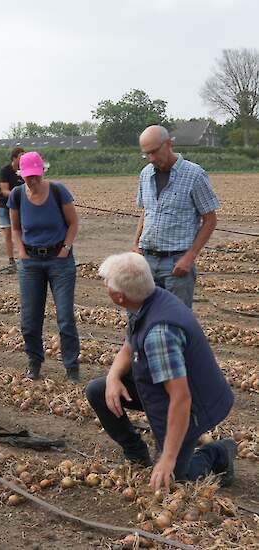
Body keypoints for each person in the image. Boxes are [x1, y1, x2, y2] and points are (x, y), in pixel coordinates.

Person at [85, 252, 236, 489]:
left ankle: (218, 453)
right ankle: (137, 453)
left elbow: (181, 398)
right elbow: (130, 343)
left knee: (173, 479)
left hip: (196, 405)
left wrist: (167, 457)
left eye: (107, 284)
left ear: (119, 297)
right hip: (164, 390)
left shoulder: (160, 334)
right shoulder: (148, 299)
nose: (105, 287)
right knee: (98, 390)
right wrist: (114, 377)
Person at [9, 151, 81, 382]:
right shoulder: (17, 195)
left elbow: (73, 223)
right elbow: (16, 228)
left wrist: (65, 249)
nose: (33, 180)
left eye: (36, 176)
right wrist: (21, 253)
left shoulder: (58, 191)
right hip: (31, 262)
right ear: (22, 175)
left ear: (42, 172)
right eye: (28, 176)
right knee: (30, 319)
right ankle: (34, 360)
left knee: (65, 317)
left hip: (59, 260)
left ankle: (71, 366)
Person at [133, 125, 219, 308]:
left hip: (176, 264)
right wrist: (136, 245)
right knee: (139, 317)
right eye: (147, 154)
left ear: (169, 143)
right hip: (146, 259)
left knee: (176, 322)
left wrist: (190, 256)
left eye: (155, 152)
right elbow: (146, 212)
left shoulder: (194, 175)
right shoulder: (145, 174)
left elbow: (210, 220)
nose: (152, 158)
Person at [0, 147, 25, 268]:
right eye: (21, 156)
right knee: (8, 234)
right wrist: (20, 194)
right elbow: (4, 191)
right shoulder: (5, 171)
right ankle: (11, 261)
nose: (23, 159)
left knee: (22, 233)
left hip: (19, 207)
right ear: (14, 158)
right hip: (5, 206)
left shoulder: (24, 171)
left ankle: (24, 258)